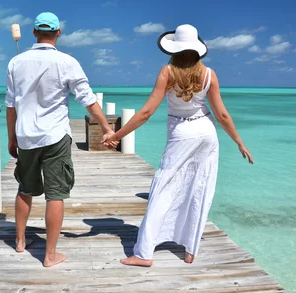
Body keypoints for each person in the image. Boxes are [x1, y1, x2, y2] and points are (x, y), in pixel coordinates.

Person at [102, 24, 253, 267]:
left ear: (174, 49)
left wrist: (116, 135)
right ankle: (191, 249)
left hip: (181, 133)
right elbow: (222, 115)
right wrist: (239, 142)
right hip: (206, 132)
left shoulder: (167, 72)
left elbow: (146, 112)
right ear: (197, 49)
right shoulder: (209, 75)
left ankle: (144, 254)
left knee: (162, 189)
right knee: (199, 187)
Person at [5, 12, 117, 267]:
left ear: (34, 32)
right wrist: (105, 127)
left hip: (25, 137)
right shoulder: (67, 62)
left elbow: (11, 107)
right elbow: (88, 99)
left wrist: (11, 139)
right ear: (58, 33)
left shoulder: (15, 62)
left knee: (24, 188)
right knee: (55, 194)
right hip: (55, 136)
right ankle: (50, 255)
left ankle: (20, 242)